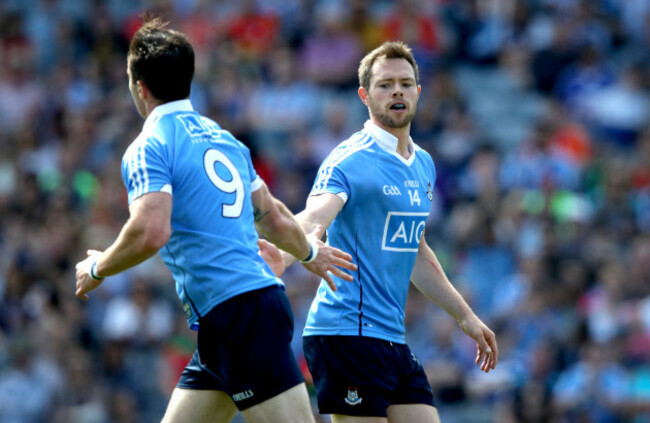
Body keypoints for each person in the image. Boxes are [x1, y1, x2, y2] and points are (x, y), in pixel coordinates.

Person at [74, 17, 356, 423]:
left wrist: (99, 267)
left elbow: (152, 230)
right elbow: (272, 216)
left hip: (238, 313)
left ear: (140, 87)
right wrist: (309, 251)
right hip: (230, 319)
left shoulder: (148, 145)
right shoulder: (225, 139)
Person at [265, 41, 499, 423]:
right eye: (385, 84)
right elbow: (314, 218)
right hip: (346, 334)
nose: (397, 91)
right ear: (364, 95)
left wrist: (465, 317)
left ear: (418, 93)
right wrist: (288, 253)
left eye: (406, 84)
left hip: (391, 338)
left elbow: (416, 251)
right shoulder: (350, 158)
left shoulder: (422, 163)